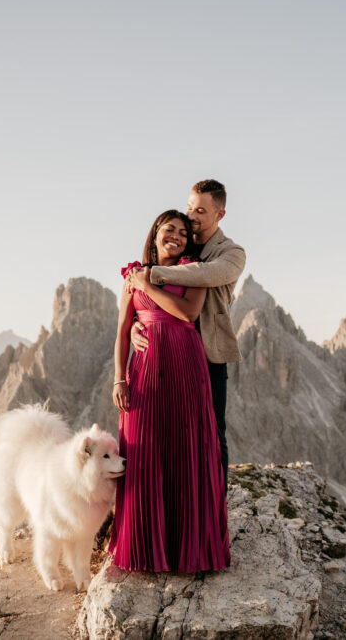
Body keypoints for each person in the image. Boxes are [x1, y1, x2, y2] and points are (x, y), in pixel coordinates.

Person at [109, 210, 230, 572]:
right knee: (144, 450)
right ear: (156, 233)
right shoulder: (132, 273)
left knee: (185, 449)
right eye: (169, 229)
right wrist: (119, 379)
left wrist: (147, 287)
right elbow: (122, 331)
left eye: (182, 233)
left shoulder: (194, 271)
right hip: (145, 370)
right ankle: (145, 548)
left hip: (186, 367)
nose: (176, 236)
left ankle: (188, 550)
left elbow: (188, 313)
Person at [126, 179, 245, 486]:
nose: (192, 216)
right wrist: (138, 321)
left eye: (201, 211)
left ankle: (216, 503)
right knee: (172, 431)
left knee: (212, 431)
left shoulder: (231, 253)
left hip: (208, 353)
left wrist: (148, 276)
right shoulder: (181, 242)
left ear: (220, 215)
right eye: (190, 207)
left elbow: (204, 274)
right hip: (168, 353)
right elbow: (148, 298)